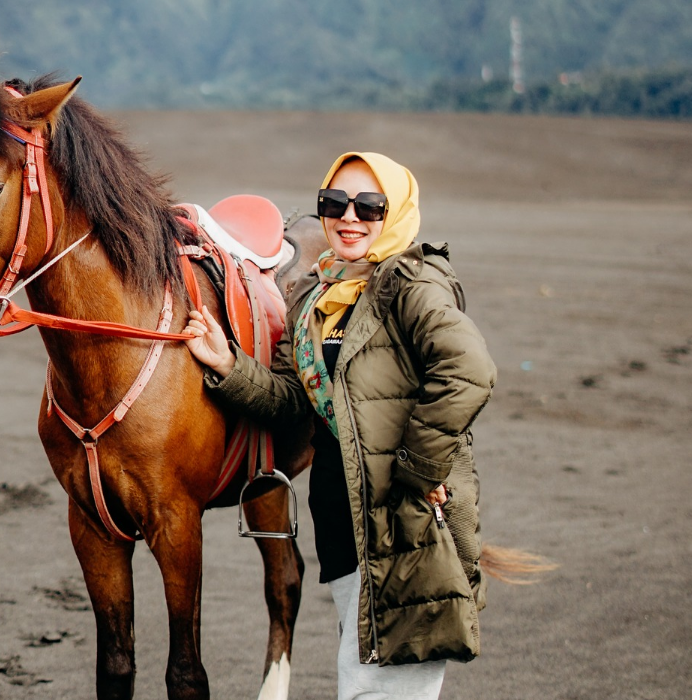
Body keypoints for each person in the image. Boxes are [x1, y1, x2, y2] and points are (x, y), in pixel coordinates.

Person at [183, 152, 496, 700]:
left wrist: (420, 469)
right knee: (363, 673)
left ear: (395, 211)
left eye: (369, 206)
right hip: (345, 520)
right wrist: (228, 364)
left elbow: (468, 370)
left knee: (378, 686)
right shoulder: (313, 297)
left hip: (405, 518)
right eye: (334, 203)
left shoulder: (409, 281)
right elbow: (287, 401)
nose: (349, 217)